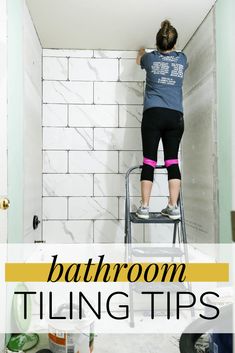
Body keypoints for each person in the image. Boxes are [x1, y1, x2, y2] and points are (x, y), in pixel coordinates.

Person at [136, 19, 188, 220]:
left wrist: (141, 51)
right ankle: (173, 207)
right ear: (174, 44)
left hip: (153, 114)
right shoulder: (182, 59)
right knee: (172, 161)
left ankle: (145, 207)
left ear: (157, 43)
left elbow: (139, 59)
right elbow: (177, 59)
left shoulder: (149, 59)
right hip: (175, 116)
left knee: (149, 161)